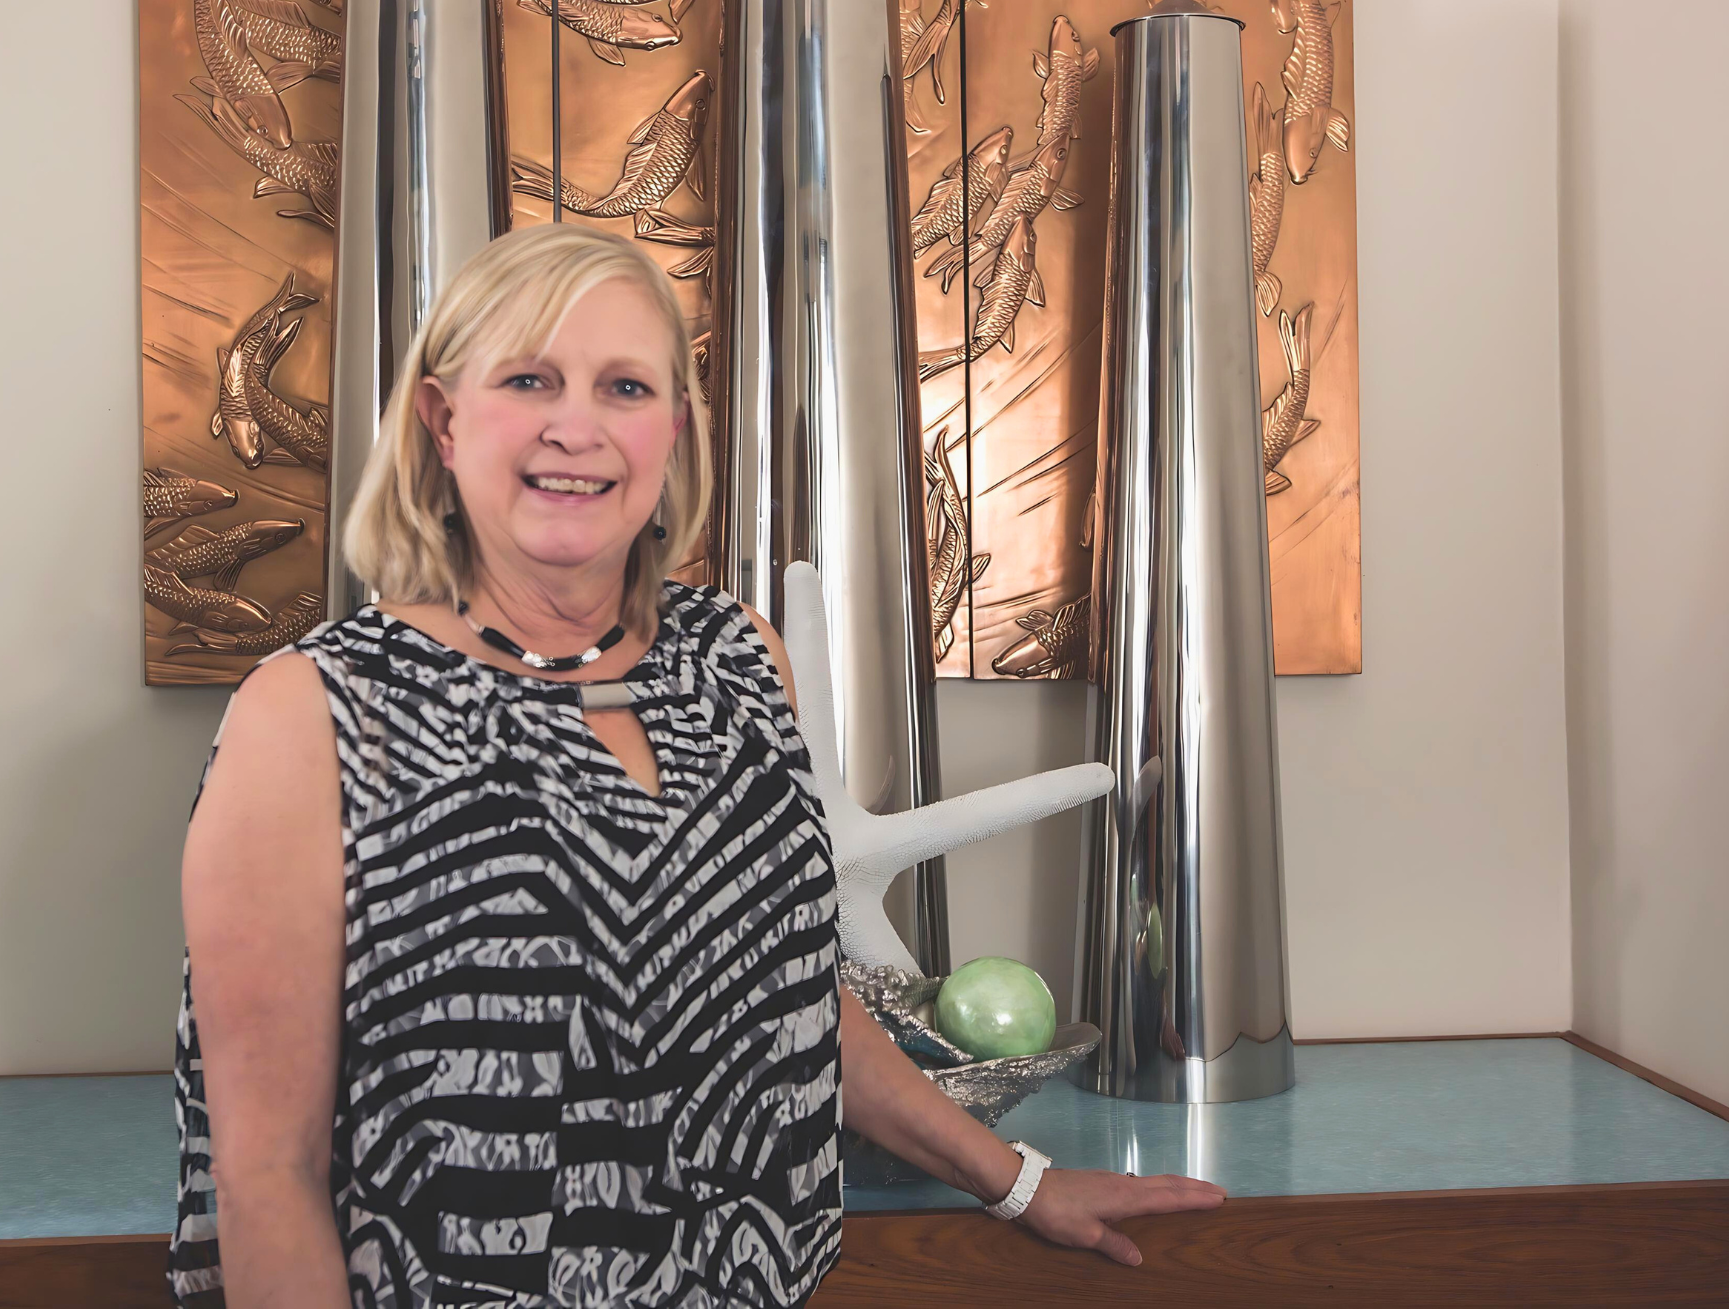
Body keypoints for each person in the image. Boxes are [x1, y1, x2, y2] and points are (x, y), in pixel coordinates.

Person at [167, 224, 1223, 1308]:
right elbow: (264, 1174)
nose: (576, 425)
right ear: (442, 418)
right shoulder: (314, 713)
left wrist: (1016, 1181)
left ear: (671, 428)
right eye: (529, 378)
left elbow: (788, 992)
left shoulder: (740, 659)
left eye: (625, 386)